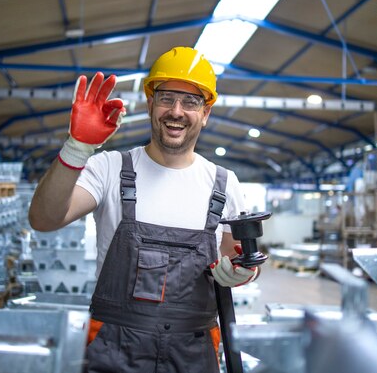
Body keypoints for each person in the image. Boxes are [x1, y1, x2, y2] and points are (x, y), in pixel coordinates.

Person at [29, 46, 259, 373]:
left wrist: (244, 271)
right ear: (151, 104)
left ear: (205, 113)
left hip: (192, 355)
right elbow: (43, 219)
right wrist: (76, 148)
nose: (176, 111)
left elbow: (237, 256)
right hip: (113, 352)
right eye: (166, 98)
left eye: (191, 102)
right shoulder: (109, 168)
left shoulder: (223, 184)